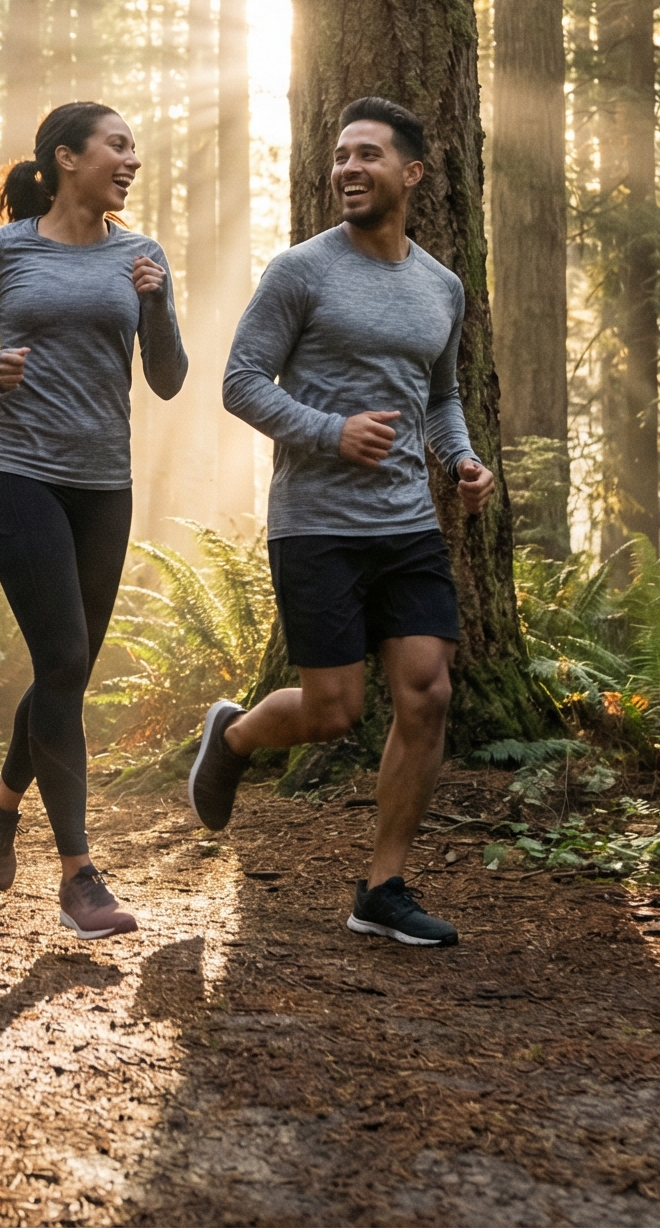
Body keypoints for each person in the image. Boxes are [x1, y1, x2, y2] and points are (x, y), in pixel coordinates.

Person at [183, 95, 495, 949]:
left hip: (406, 524)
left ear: (413, 174)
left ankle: (382, 887)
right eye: (341, 156)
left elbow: (440, 397)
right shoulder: (301, 271)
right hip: (316, 521)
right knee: (332, 713)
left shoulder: (442, 286)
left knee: (427, 692)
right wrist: (330, 431)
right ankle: (237, 735)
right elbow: (241, 381)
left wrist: (459, 460)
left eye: (369, 156)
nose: (349, 169)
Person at [0, 103, 187, 940]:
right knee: (67, 656)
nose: (131, 160)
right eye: (117, 146)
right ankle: (79, 875)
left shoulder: (142, 256)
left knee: (62, 672)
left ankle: (0, 801)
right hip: (18, 477)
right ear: (67, 158)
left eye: (133, 148)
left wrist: (157, 305)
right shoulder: (4, 251)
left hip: (102, 485)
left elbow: (169, 379)